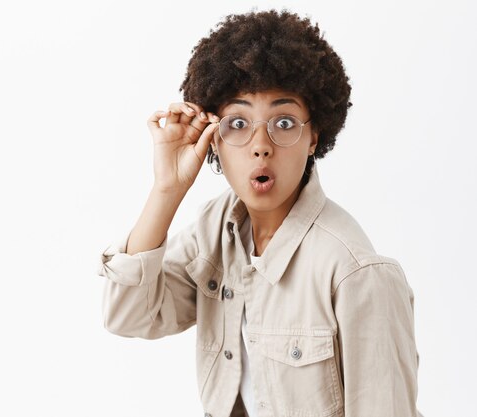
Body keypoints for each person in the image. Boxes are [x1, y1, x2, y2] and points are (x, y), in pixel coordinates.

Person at [97, 9, 422, 417]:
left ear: (313, 136)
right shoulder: (214, 232)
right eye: (237, 123)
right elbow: (127, 316)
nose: (260, 145)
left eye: (283, 122)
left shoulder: (357, 273)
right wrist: (168, 189)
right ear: (213, 138)